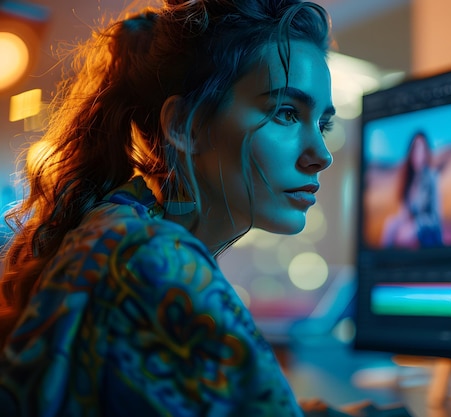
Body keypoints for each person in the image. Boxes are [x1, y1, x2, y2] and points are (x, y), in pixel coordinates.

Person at [0, 1, 411, 415]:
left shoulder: (127, 228)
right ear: (186, 126)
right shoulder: (156, 266)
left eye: (323, 124)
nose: (321, 154)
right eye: (286, 113)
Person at [381, 131, 443, 249]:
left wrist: (416, 226)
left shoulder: (432, 177)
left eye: (420, 149)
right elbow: (404, 213)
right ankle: (383, 264)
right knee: (390, 225)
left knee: (407, 234)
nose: (417, 154)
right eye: (414, 149)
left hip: (427, 234)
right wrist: (400, 224)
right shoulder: (408, 179)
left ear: (426, 152)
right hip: (410, 229)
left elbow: (435, 219)